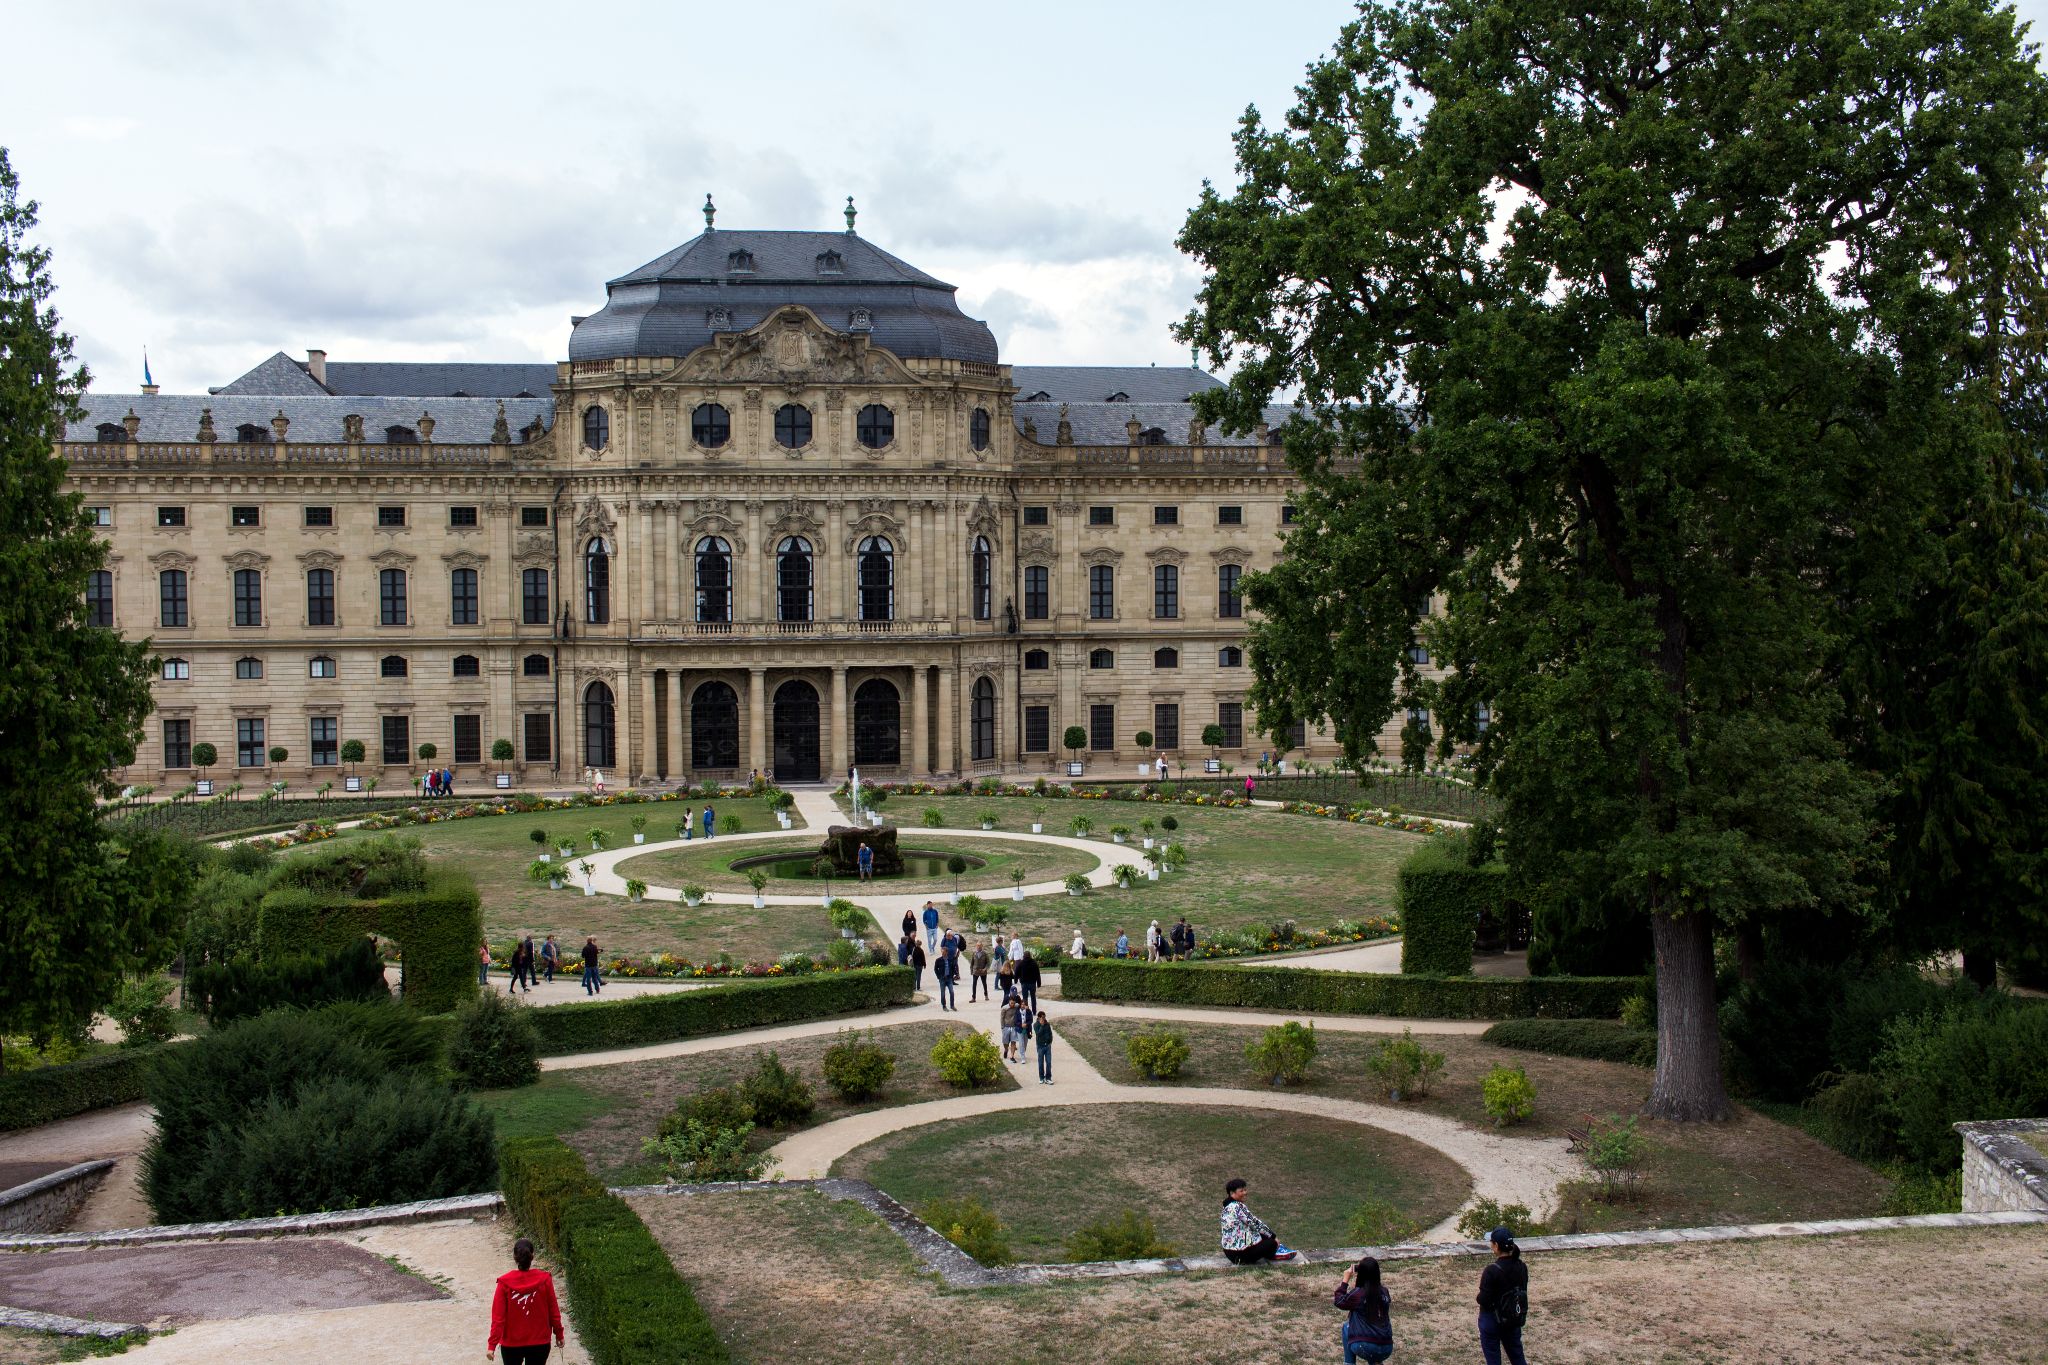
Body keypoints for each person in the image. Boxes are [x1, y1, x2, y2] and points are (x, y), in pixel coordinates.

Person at [487, 1234, 565, 1364]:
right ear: (532, 1256)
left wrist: (492, 1345)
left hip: (511, 1344)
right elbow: (554, 1312)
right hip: (540, 1342)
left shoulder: (504, 1283)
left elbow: (498, 1318)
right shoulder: (545, 1280)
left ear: (515, 1257)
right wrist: (559, 1333)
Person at [1476, 1226, 1529, 1365]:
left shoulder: (1491, 1270)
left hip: (1492, 1320)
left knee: (1493, 1359)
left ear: (1496, 1246)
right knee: (1517, 1357)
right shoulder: (1521, 1266)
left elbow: (1484, 1299)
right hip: (1512, 1318)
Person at [1220, 1178, 1296, 1264]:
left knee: (1262, 1235)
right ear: (1232, 1193)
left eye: (1245, 1190)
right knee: (1271, 1242)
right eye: (1241, 1191)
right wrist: (1273, 1236)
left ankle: (1273, 1250)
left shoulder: (1226, 1206)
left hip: (1229, 1253)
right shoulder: (1237, 1207)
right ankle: (1275, 1251)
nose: (1245, 1193)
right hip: (1240, 1255)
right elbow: (1255, 1223)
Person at [1335, 1255, 1394, 1363]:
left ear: (1360, 1274)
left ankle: (1349, 1363)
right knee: (1373, 1335)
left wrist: (1345, 1280)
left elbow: (1339, 1301)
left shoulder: (1358, 1293)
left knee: (1346, 1327)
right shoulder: (1384, 1292)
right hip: (1387, 1347)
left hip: (1364, 1346)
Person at [1014, 946, 1041, 1012]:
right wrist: (1039, 983)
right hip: (1032, 982)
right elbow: (1038, 973)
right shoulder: (1034, 963)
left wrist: (1015, 980)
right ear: (1030, 955)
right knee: (1033, 997)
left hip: (1024, 983)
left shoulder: (1021, 963)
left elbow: (1016, 972)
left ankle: (1026, 1010)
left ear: (1024, 956)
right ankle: (1034, 1011)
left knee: (1025, 998)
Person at [932, 940, 957, 1010]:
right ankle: (944, 1006)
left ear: (947, 952)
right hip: (942, 978)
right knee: (943, 993)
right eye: (942, 952)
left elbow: (953, 967)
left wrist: (954, 975)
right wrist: (939, 977)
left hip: (949, 978)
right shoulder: (938, 960)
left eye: (944, 952)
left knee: (951, 992)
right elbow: (935, 969)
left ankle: (952, 1005)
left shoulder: (950, 960)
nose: (942, 953)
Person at [999, 995, 1022, 1063]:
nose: (1013, 1004)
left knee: (1013, 1041)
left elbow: (1022, 1004)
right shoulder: (1004, 1008)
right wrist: (1002, 1027)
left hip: (1014, 1027)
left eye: (1014, 1003)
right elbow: (1002, 1018)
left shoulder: (1017, 1006)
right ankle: (1006, 1050)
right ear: (1009, 1002)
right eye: (1011, 1003)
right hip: (1006, 1026)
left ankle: (1012, 1056)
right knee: (1005, 1042)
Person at [1033, 1009, 1054, 1084]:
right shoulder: (1035, 1025)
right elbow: (1038, 1034)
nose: (1044, 1019)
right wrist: (1041, 1026)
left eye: (1044, 1017)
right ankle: (1041, 1077)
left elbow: (1050, 1033)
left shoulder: (1047, 1024)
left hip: (1047, 1046)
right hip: (1040, 1046)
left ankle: (1048, 1078)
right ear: (1038, 1018)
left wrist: (1050, 1041)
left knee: (1048, 1062)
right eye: (1042, 1017)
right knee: (1040, 1063)